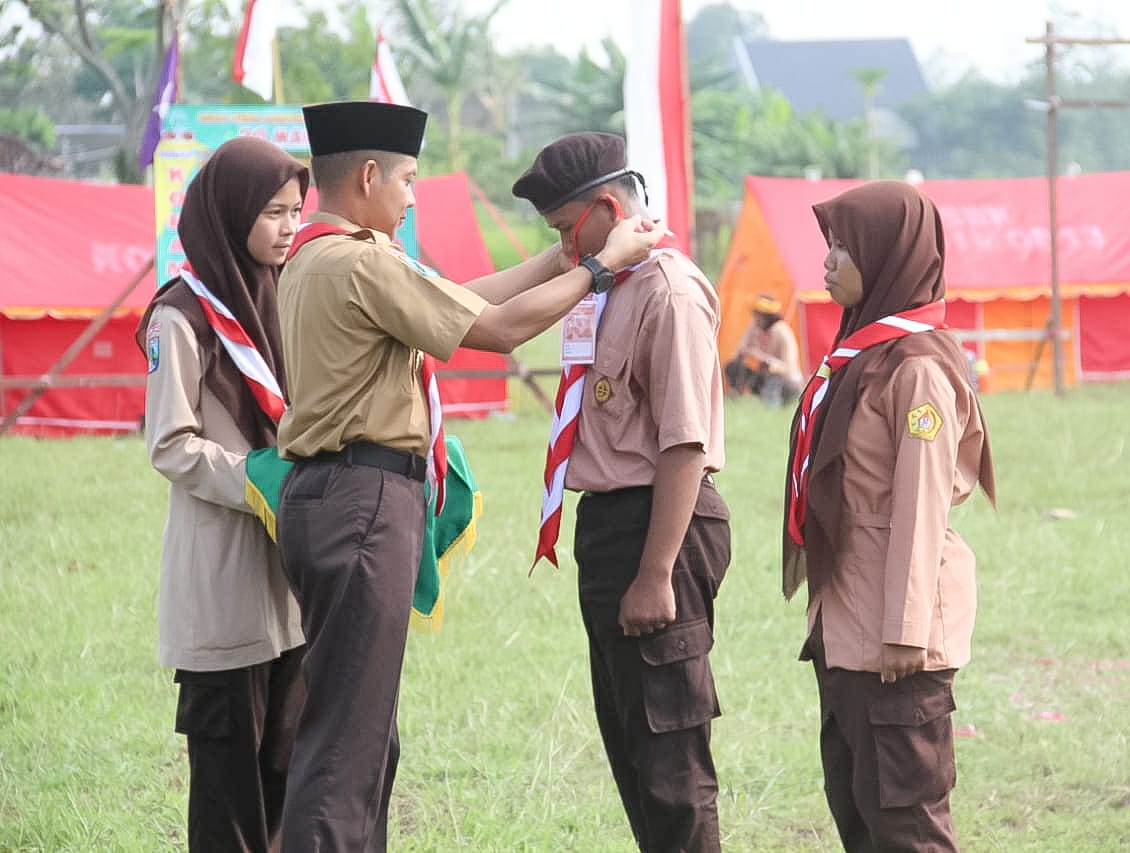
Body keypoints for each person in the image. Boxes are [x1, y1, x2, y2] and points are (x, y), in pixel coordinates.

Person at [274, 102, 663, 851]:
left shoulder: (320, 255)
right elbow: (498, 329)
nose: (414, 195)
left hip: (327, 496)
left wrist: (560, 261)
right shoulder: (363, 260)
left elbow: (463, 298)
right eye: (409, 180)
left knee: (359, 732)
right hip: (361, 499)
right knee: (346, 743)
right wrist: (596, 266)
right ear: (367, 175)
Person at [513, 131, 731, 853]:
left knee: (670, 758)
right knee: (632, 747)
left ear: (608, 206)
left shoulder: (667, 290)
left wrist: (657, 572)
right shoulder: (609, 283)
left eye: (566, 232)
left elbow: (684, 445)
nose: (565, 252)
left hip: (656, 526)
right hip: (609, 525)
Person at [780, 181, 996, 852]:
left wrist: (905, 630)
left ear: (888, 257)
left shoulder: (919, 369)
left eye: (844, 247)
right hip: (848, 620)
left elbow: (922, 507)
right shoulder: (860, 354)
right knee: (856, 806)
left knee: (907, 823)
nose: (828, 262)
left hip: (893, 636)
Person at [136, 136, 309, 851]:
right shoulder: (180, 315)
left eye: (297, 210)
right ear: (231, 212)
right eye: (273, 212)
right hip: (224, 574)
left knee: (287, 774)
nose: (290, 226)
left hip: (291, 578)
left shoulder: (285, 294)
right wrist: (261, 479)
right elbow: (169, 443)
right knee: (225, 790)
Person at [724, 293, 803, 406]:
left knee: (774, 378)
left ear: (766, 315)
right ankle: (735, 399)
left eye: (757, 314)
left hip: (786, 383)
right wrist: (747, 351)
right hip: (763, 377)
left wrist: (765, 359)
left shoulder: (782, 332)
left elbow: (790, 370)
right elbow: (738, 353)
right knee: (732, 366)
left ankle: (773, 405)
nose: (754, 317)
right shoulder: (755, 327)